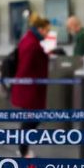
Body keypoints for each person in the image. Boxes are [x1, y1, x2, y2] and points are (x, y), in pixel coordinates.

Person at [10, 16, 51, 158]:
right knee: (31, 120)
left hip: (31, 88)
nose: (47, 34)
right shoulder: (32, 44)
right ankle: (23, 150)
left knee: (31, 119)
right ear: (39, 29)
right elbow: (26, 67)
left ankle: (23, 149)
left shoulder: (29, 40)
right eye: (46, 31)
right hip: (31, 89)